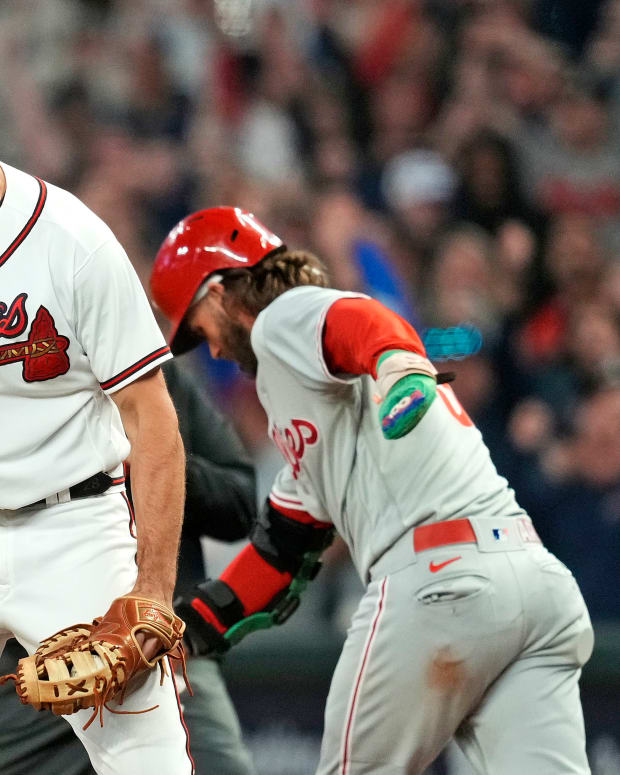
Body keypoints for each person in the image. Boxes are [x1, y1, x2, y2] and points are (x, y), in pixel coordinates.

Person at [150, 206, 594, 775]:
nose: (210, 349)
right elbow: (281, 549)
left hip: (440, 583)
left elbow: (358, 318)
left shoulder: (282, 318)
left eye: (199, 329)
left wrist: (400, 366)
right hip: (535, 585)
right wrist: (183, 632)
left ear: (217, 293)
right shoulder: (322, 423)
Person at [0, 161, 191, 773]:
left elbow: (152, 421)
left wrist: (154, 591)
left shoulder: (71, 241)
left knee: (148, 760)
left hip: (70, 525)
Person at [0, 357, 257, 775]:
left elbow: (241, 500)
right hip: (35, 666)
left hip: (162, 647)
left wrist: (153, 459)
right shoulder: (25, 372)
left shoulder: (152, 375)